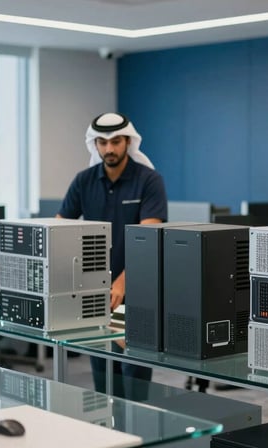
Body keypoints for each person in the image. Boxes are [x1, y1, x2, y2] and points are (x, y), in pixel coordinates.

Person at [58, 112, 167, 397]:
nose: (109, 149)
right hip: (97, 295)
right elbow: (59, 230)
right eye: (102, 142)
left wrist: (121, 283)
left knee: (135, 378)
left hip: (136, 292)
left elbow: (149, 241)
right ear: (94, 145)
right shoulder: (83, 181)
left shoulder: (149, 181)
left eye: (116, 141)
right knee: (103, 379)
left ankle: (140, 439)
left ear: (128, 142)